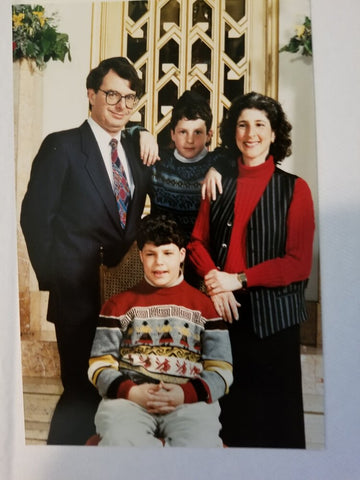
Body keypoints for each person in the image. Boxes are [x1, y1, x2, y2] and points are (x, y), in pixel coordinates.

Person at [20, 57, 159, 445]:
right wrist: (58, 279)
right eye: (112, 94)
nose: (120, 105)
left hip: (125, 295)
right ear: (91, 94)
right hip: (76, 296)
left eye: (129, 98)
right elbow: (34, 218)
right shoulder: (62, 146)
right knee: (80, 393)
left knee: (118, 395)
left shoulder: (136, 149)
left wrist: (143, 130)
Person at [187, 91, 315, 448]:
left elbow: (298, 263)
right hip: (224, 318)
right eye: (243, 124)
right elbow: (196, 242)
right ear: (234, 133)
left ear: (274, 134)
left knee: (274, 432)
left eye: (260, 124)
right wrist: (217, 283)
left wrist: (238, 279)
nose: (251, 133)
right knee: (227, 426)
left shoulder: (296, 189)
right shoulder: (217, 181)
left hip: (275, 325)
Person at [88, 214, 233, 447]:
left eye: (168, 253)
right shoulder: (117, 306)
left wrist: (183, 394)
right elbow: (99, 366)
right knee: (119, 440)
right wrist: (132, 392)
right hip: (129, 401)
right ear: (140, 256)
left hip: (188, 402)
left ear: (182, 255)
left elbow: (222, 370)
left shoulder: (205, 306)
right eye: (151, 254)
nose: (159, 263)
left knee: (200, 444)